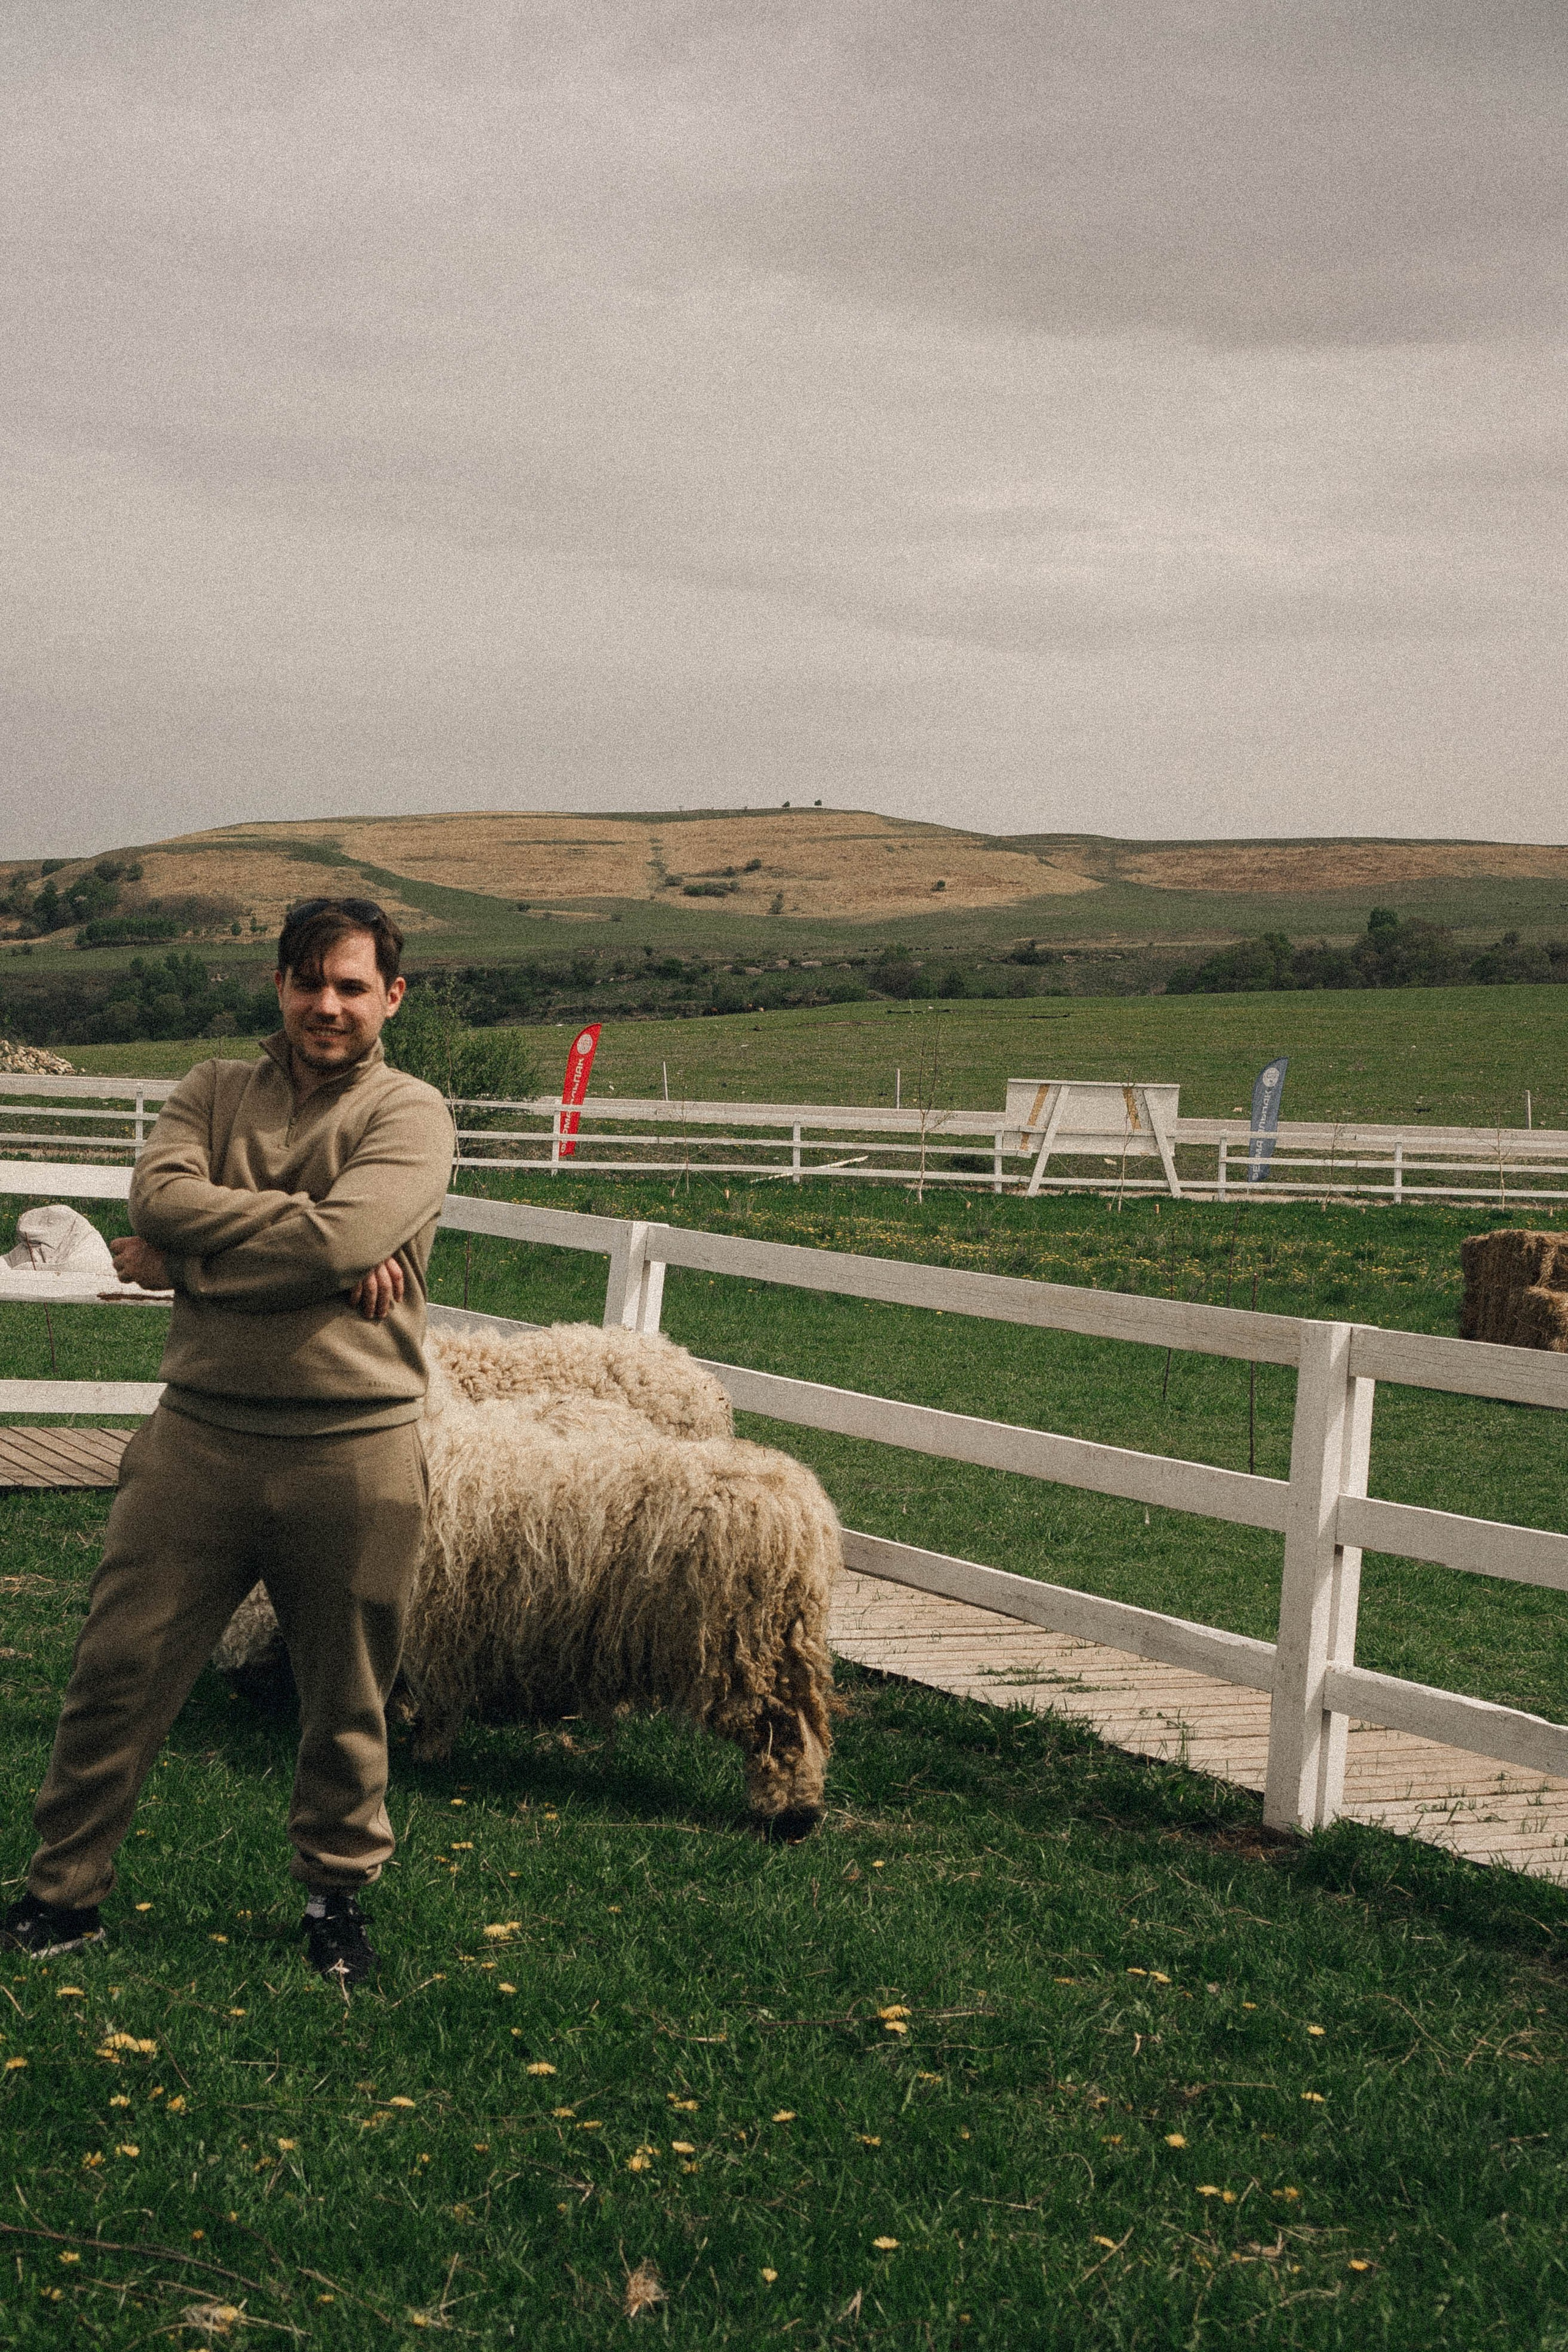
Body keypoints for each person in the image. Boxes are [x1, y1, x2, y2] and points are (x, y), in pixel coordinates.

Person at [0, 899, 454, 1984]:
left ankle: (334, 1903)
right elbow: (155, 1192)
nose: (326, 1005)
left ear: (392, 995)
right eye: (308, 981)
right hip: (196, 1441)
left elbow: (341, 1231)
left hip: (355, 1450)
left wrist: (186, 1261)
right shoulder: (212, 1088)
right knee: (118, 1672)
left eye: (351, 986)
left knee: (345, 1693)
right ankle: (61, 1899)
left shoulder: (412, 1111)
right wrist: (311, 1251)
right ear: (280, 985)